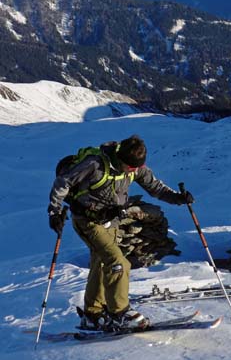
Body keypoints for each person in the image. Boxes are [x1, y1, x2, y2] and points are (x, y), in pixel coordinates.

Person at [48, 134, 193, 332]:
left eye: (137, 167)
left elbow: (155, 187)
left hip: (110, 222)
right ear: (122, 159)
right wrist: (54, 212)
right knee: (118, 263)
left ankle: (93, 314)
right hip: (87, 220)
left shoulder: (135, 168)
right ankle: (119, 313)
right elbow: (63, 182)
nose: (135, 171)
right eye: (131, 167)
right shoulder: (95, 164)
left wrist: (178, 198)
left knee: (101, 262)